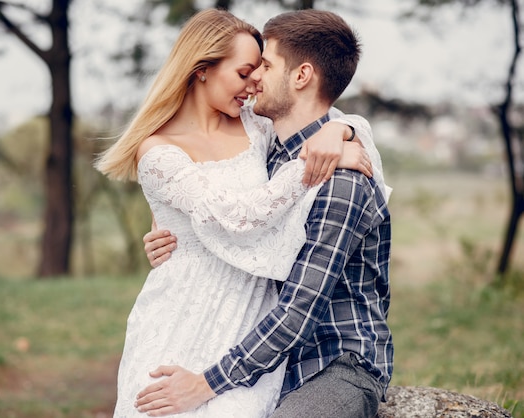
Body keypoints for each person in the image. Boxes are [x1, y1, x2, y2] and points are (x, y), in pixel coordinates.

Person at [96, 8, 378, 418]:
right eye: (246, 71)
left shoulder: (256, 126)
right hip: (182, 310)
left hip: (248, 313)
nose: (254, 84)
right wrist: (307, 167)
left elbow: (326, 114)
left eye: (260, 69)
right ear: (202, 69)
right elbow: (232, 215)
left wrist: (341, 132)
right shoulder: (158, 151)